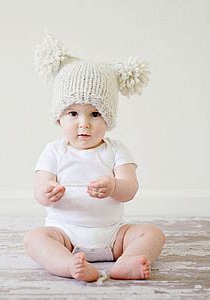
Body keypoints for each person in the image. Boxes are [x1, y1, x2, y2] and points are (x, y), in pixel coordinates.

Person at [23, 32, 166, 282]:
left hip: (113, 237)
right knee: (34, 239)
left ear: (108, 118)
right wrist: (46, 191)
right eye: (74, 114)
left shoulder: (116, 150)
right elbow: (39, 189)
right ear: (59, 117)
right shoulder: (53, 151)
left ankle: (126, 262)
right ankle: (70, 265)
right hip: (64, 234)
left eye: (95, 114)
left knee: (152, 234)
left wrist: (114, 186)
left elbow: (130, 188)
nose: (84, 124)